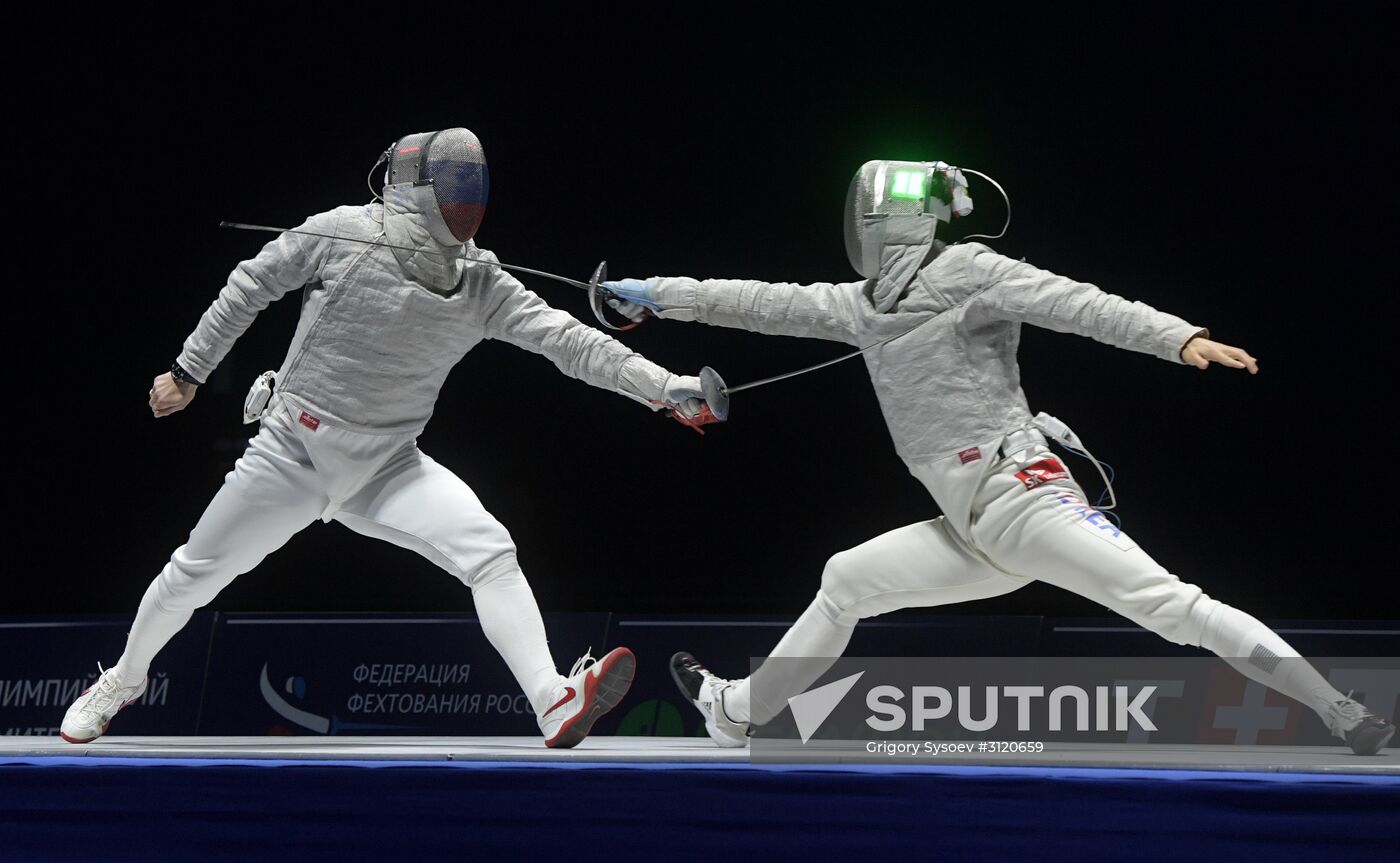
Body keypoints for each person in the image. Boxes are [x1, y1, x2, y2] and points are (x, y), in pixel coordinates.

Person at [603, 158, 1394, 755]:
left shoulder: (970, 271)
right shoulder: (857, 307)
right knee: (845, 580)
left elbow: (1076, 302)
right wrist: (656, 293)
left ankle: (1336, 708)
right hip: (971, 527)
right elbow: (753, 300)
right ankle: (737, 712)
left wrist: (1176, 336)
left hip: (1026, 498)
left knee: (1173, 605)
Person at [61, 128, 714, 749]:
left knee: (488, 551)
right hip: (294, 451)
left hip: (389, 465)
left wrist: (665, 387)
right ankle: (123, 679)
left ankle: (553, 698)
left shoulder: (480, 280)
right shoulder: (345, 231)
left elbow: (572, 343)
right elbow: (251, 280)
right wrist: (189, 370)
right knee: (190, 576)